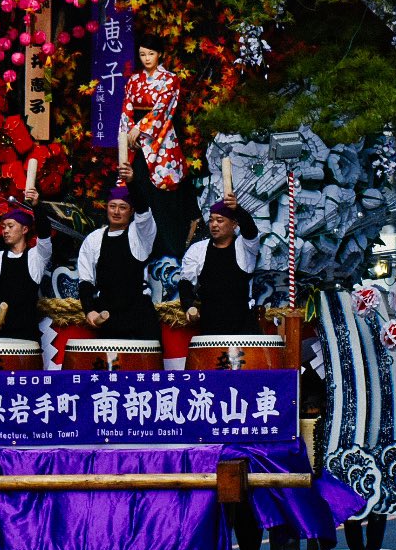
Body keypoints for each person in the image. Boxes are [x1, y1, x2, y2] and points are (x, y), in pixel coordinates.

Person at [77, 161, 161, 340]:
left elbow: (144, 211)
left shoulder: (140, 235)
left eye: (122, 207)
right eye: (112, 206)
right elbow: (86, 281)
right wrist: (89, 310)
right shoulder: (94, 240)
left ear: (131, 211)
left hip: (139, 316)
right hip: (107, 314)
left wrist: (132, 182)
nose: (116, 211)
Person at [121, 42, 191, 257]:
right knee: (140, 193)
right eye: (142, 54)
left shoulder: (170, 79)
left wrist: (139, 128)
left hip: (161, 141)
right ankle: (143, 253)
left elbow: (163, 109)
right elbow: (127, 109)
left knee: (165, 199)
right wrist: (126, 138)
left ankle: (172, 250)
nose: (147, 58)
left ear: (159, 53)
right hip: (137, 143)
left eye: (151, 53)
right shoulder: (134, 80)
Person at [0, 184, 52, 343]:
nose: (5, 230)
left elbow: (45, 232)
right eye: (3, 226)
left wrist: (36, 205)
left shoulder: (37, 257)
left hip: (27, 336)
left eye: (11, 226)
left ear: (25, 229)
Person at [179, 194, 260, 335]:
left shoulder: (245, 247)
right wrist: (188, 307)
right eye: (211, 221)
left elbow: (250, 231)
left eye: (220, 220)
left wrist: (238, 209)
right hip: (210, 326)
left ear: (234, 224)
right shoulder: (198, 250)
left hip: (243, 327)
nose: (214, 224)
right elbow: (185, 283)